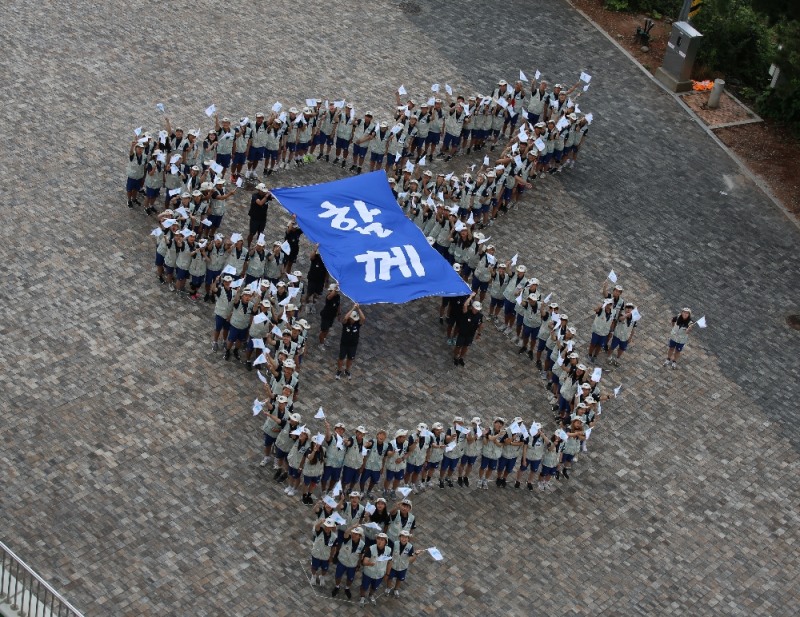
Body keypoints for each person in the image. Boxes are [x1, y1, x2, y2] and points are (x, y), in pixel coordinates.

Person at [331, 524, 365, 598]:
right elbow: (346, 532)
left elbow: (360, 555)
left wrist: (358, 565)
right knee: (338, 576)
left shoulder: (362, 545)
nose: (353, 535)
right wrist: (353, 527)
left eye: (356, 534)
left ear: (360, 536)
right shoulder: (347, 539)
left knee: (350, 578)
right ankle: (337, 586)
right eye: (353, 533)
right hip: (342, 561)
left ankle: (347, 588)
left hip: (352, 564)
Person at [359, 532, 392, 605]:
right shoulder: (371, 548)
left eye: (382, 540)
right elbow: (364, 562)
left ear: (386, 542)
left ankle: (371, 595)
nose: (380, 541)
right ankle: (362, 597)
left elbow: (390, 562)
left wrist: (387, 574)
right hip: (369, 573)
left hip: (379, 574)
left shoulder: (389, 550)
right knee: (364, 586)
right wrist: (369, 563)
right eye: (378, 539)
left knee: (374, 587)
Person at [384, 530, 418, 598]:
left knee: (399, 579)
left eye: (406, 537)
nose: (404, 539)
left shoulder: (410, 547)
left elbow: (411, 560)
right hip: (393, 566)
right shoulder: (395, 544)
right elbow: (389, 554)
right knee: (390, 578)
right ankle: (388, 588)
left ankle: (396, 589)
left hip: (402, 567)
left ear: (408, 539)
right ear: (399, 537)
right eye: (402, 537)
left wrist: (415, 555)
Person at [336, 304, 365, 380]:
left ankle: (347, 370)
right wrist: (353, 308)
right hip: (344, 344)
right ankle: (339, 370)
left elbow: (363, 318)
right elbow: (345, 317)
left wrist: (358, 309)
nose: (354, 320)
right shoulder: (345, 323)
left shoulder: (357, 324)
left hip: (353, 345)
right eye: (353, 319)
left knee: (350, 358)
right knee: (341, 358)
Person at [454, 296, 484, 366]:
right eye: (475, 309)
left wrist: (479, 333)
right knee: (458, 346)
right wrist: (470, 297)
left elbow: (481, 325)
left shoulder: (480, 316)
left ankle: (461, 357)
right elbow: (465, 305)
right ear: (472, 307)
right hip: (462, 333)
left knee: (465, 346)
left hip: (470, 334)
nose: (476, 310)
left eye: (478, 309)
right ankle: (455, 357)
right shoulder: (467, 313)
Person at [310, 517, 338, 587]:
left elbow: (333, 548)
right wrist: (320, 522)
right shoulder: (320, 531)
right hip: (316, 554)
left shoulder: (334, 537)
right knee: (314, 567)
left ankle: (322, 577)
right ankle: (313, 576)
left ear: (331, 528)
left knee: (324, 569)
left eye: (329, 527)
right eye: (326, 526)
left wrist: (331, 557)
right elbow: (316, 527)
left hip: (325, 556)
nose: (327, 528)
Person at [318, 283, 341, 348]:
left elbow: (339, 305)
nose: (336, 292)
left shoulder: (338, 296)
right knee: (323, 330)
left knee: (327, 329)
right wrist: (335, 288)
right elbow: (331, 296)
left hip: (332, 316)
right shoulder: (329, 297)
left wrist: (339, 314)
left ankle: (324, 339)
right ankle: (321, 343)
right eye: (335, 291)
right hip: (326, 316)